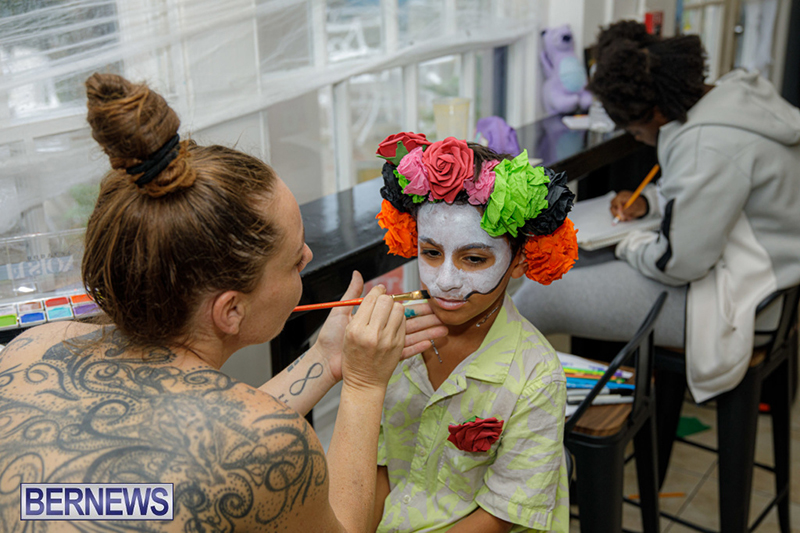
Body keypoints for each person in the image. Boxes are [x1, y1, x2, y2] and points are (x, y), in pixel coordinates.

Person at [0, 73, 447, 532]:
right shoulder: (271, 445)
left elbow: (152, 487)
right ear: (230, 310)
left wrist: (328, 360)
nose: (310, 257)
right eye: (295, 262)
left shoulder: (30, 348)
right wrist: (363, 384)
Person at [513, 20, 800, 481]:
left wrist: (630, 244)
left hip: (739, 304)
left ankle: (526, 460)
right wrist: (652, 202)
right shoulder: (733, 97)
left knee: (537, 296)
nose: (640, 141)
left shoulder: (708, 142)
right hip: (768, 283)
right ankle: (549, 435)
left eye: (638, 133)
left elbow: (678, 262)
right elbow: (716, 191)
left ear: (656, 114)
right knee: (572, 268)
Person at [370, 133, 578, 532]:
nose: (445, 281)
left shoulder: (536, 378)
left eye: (474, 258)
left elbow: (500, 518)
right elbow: (376, 465)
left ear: (519, 261)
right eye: (431, 253)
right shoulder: (393, 337)